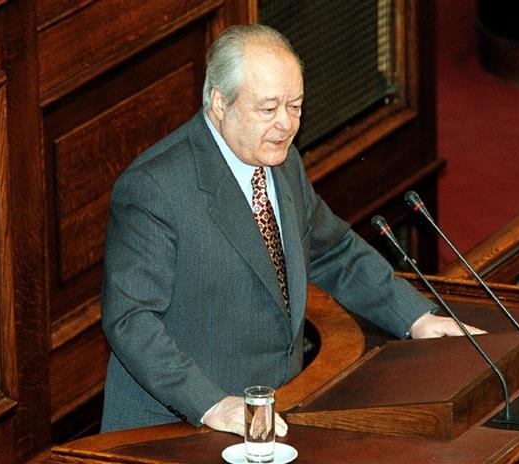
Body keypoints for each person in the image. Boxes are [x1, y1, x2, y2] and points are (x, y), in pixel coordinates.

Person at [100, 24, 483, 437]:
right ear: (219, 103)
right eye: (268, 109)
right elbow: (131, 320)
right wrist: (212, 404)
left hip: (276, 412)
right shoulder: (155, 188)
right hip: (179, 429)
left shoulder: (282, 163)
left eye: (295, 106)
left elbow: (332, 250)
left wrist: (415, 318)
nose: (286, 124)